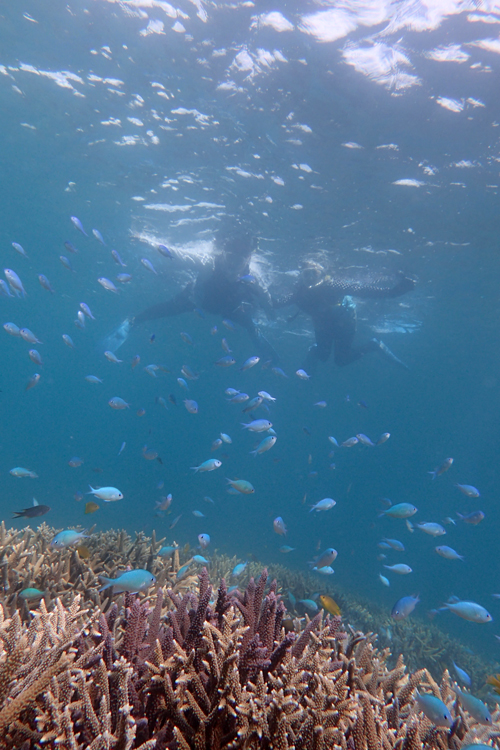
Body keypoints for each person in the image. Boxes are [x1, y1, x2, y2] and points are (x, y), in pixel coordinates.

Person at [104, 230, 278, 360]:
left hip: (230, 309)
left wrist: (269, 311)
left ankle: (264, 347)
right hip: (195, 301)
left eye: (239, 260)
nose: (233, 264)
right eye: (230, 257)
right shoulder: (208, 263)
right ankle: (131, 323)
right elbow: (177, 254)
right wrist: (148, 242)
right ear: (223, 254)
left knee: (250, 325)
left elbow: (265, 296)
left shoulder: (252, 277)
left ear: (248, 260)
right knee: (164, 309)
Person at [274, 262, 415, 372]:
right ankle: (312, 355)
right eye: (306, 274)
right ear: (301, 276)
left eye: (314, 273)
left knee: (341, 360)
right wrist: (260, 297)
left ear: (322, 275)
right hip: (322, 326)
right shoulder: (299, 293)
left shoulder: (332, 285)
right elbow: (277, 303)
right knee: (322, 356)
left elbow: (361, 290)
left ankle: (374, 345)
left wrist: (393, 292)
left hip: (344, 324)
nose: (310, 278)